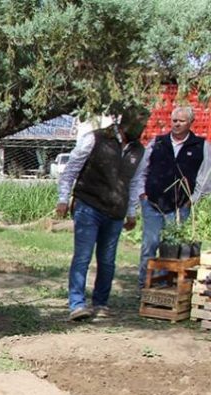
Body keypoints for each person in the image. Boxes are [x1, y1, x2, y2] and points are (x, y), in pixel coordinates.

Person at [56, 106, 149, 320]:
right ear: (127, 123)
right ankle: (77, 304)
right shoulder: (95, 139)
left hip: (115, 212)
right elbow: (71, 169)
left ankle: (100, 303)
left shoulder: (139, 151)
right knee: (82, 256)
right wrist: (63, 198)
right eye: (140, 125)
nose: (142, 129)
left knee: (107, 260)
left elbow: (134, 182)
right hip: (88, 205)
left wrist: (131, 212)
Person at [136, 105, 211, 287]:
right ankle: (144, 285)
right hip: (152, 203)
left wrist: (191, 201)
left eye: (181, 121)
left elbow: (205, 175)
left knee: (171, 247)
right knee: (150, 244)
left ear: (191, 123)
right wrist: (142, 194)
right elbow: (141, 170)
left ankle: (164, 285)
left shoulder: (201, 146)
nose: (177, 124)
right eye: (174, 120)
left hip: (179, 206)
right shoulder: (157, 142)